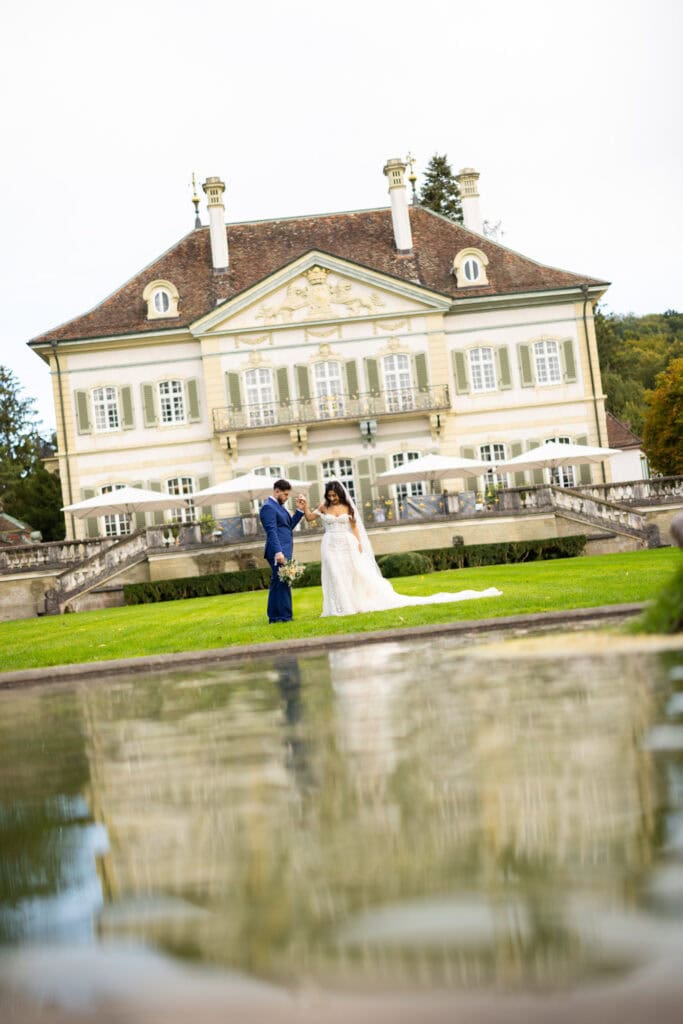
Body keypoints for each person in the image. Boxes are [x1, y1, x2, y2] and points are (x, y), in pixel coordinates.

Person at [298, 479, 502, 617]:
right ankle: (338, 608)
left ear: (340, 494)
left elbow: (354, 527)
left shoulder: (347, 508)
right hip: (330, 545)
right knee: (334, 574)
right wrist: (304, 505)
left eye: (335, 495)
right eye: (330, 495)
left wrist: (359, 543)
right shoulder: (324, 507)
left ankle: (351, 605)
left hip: (347, 544)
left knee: (350, 574)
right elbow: (309, 518)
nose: (332, 498)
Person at [259, 479, 305, 623]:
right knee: (283, 582)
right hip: (277, 552)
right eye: (285, 495)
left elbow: (287, 527)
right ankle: (284, 616)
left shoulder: (278, 507)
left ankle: (274, 617)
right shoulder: (268, 507)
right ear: (276, 491)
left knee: (278, 583)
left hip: (284, 550)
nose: (286, 498)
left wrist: (299, 511)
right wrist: (278, 552)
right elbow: (271, 531)